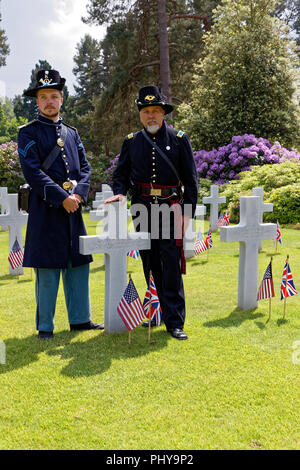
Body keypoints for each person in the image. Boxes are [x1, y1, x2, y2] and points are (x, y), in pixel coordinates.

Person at [105, 85, 198, 340]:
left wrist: (187, 214)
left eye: (155, 110)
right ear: (140, 115)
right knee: (148, 259)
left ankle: (174, 321)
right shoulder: (131, 142)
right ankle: (153, 311)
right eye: (146, 111)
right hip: (141, 208)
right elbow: (120, 175)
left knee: (170, 263)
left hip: (170, 209)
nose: (151, 116)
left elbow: (191, 181)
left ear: (163, 113)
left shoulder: (179, 139)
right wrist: (120, 193)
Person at [18, 69, 103, 339]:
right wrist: (61, 197)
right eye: (43, 97)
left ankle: (80, 320)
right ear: (37, 101)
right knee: (48, 268)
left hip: (73, 210)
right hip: (46, 210)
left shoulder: (72, 133)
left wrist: (77, 195)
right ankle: (45, 327)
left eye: (54, 96)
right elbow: (33, 172)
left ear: (62, 99)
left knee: (77, 264)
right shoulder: (28, 133)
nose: (49, 101)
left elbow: (85, 168)